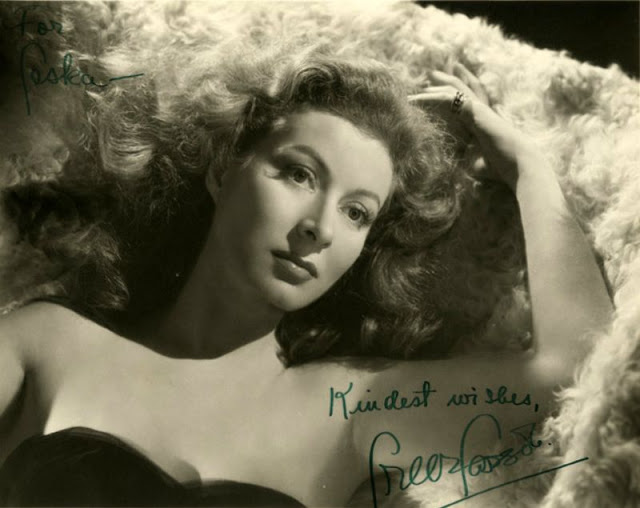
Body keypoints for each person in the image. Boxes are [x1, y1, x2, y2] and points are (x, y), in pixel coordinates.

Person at [0, 42, 612, 507]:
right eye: (299, 174)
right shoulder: (48, 343)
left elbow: (574, 371)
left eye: (356, 212)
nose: (320, 226)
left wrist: (528, 167)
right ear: (223, 170)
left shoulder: (349, 406)